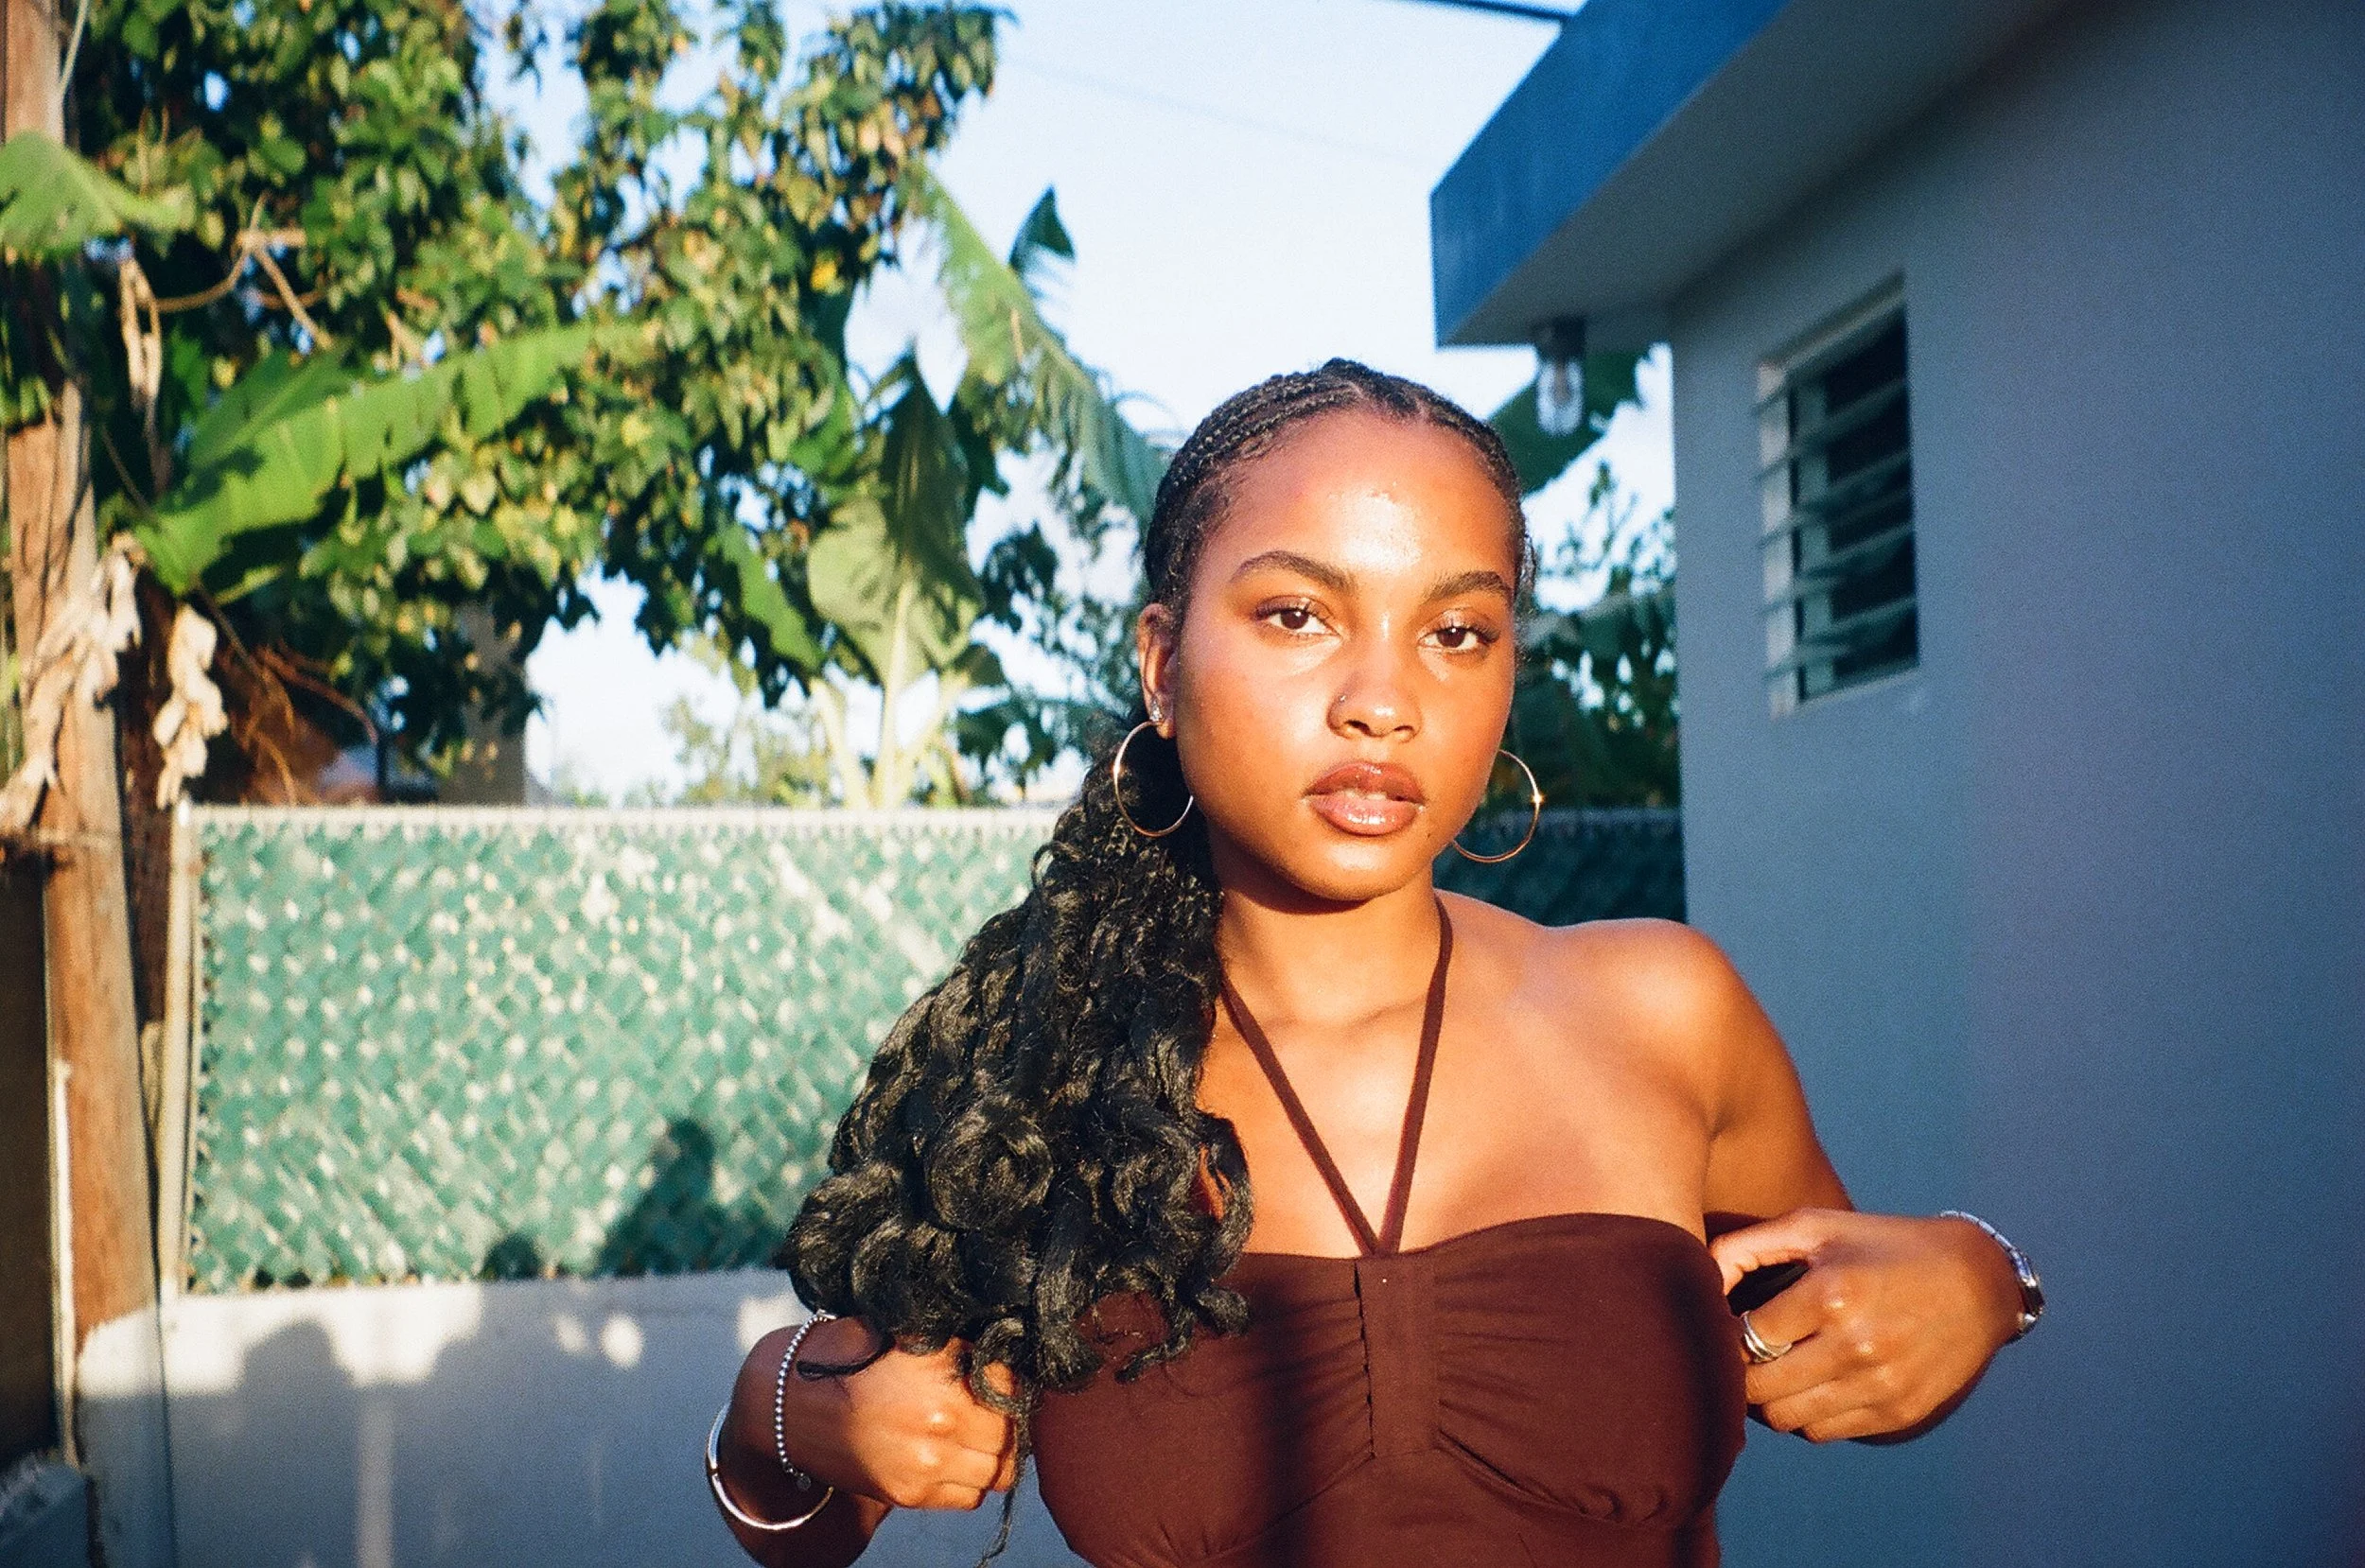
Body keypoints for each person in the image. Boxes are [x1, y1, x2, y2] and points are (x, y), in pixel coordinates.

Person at [706, 361, 2041, 1567]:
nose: (1384, 698)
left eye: (1456, 631)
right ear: (1164, 665)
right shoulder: (1063, 1070)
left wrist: (1984, 1283)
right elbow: (804, 1524)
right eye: (1298, 615)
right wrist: (782, 1401)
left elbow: (1854, 1358)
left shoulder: (1664, 1013)